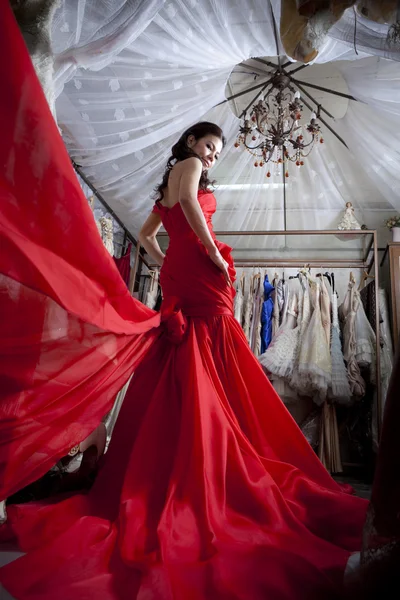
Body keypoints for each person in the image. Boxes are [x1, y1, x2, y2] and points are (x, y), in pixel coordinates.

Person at [0, 4, 368, 599]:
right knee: (209, 341)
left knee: (190, 350)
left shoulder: (167, 182)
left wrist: (163, 261)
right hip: (198, 266)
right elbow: (193, 213)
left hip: (179, 271)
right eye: (210, 144)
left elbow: (148, 235)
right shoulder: (189, 167)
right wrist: (213, 255)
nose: (213, 155)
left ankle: (184, 452)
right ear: (193, 140)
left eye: (219, 151)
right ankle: (206, 459)